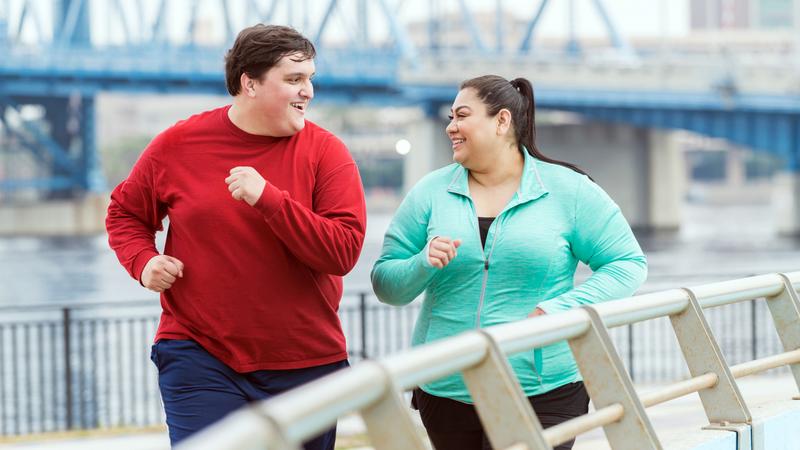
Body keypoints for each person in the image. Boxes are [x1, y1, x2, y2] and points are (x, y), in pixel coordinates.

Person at [106, 24, 366, 449]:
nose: (309, 91)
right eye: (294, 79)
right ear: (250, 83)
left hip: (305, 362)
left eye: (310, 79)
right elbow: (125, 213)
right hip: (199, 354)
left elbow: (342, 252)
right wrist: (144, 261)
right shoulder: (177, 144)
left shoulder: (327, 153)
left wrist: (271, 200)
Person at [370, 75, 646, 450]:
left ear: (502, 121)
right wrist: (422, 262)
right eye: (450, 117)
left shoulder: (569, 190)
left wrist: (556, 311)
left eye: (462, 116)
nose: (450, 126)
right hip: (447, 385)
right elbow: (386, 285)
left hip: (544, 388)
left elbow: (627, 264)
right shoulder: (430, 192)